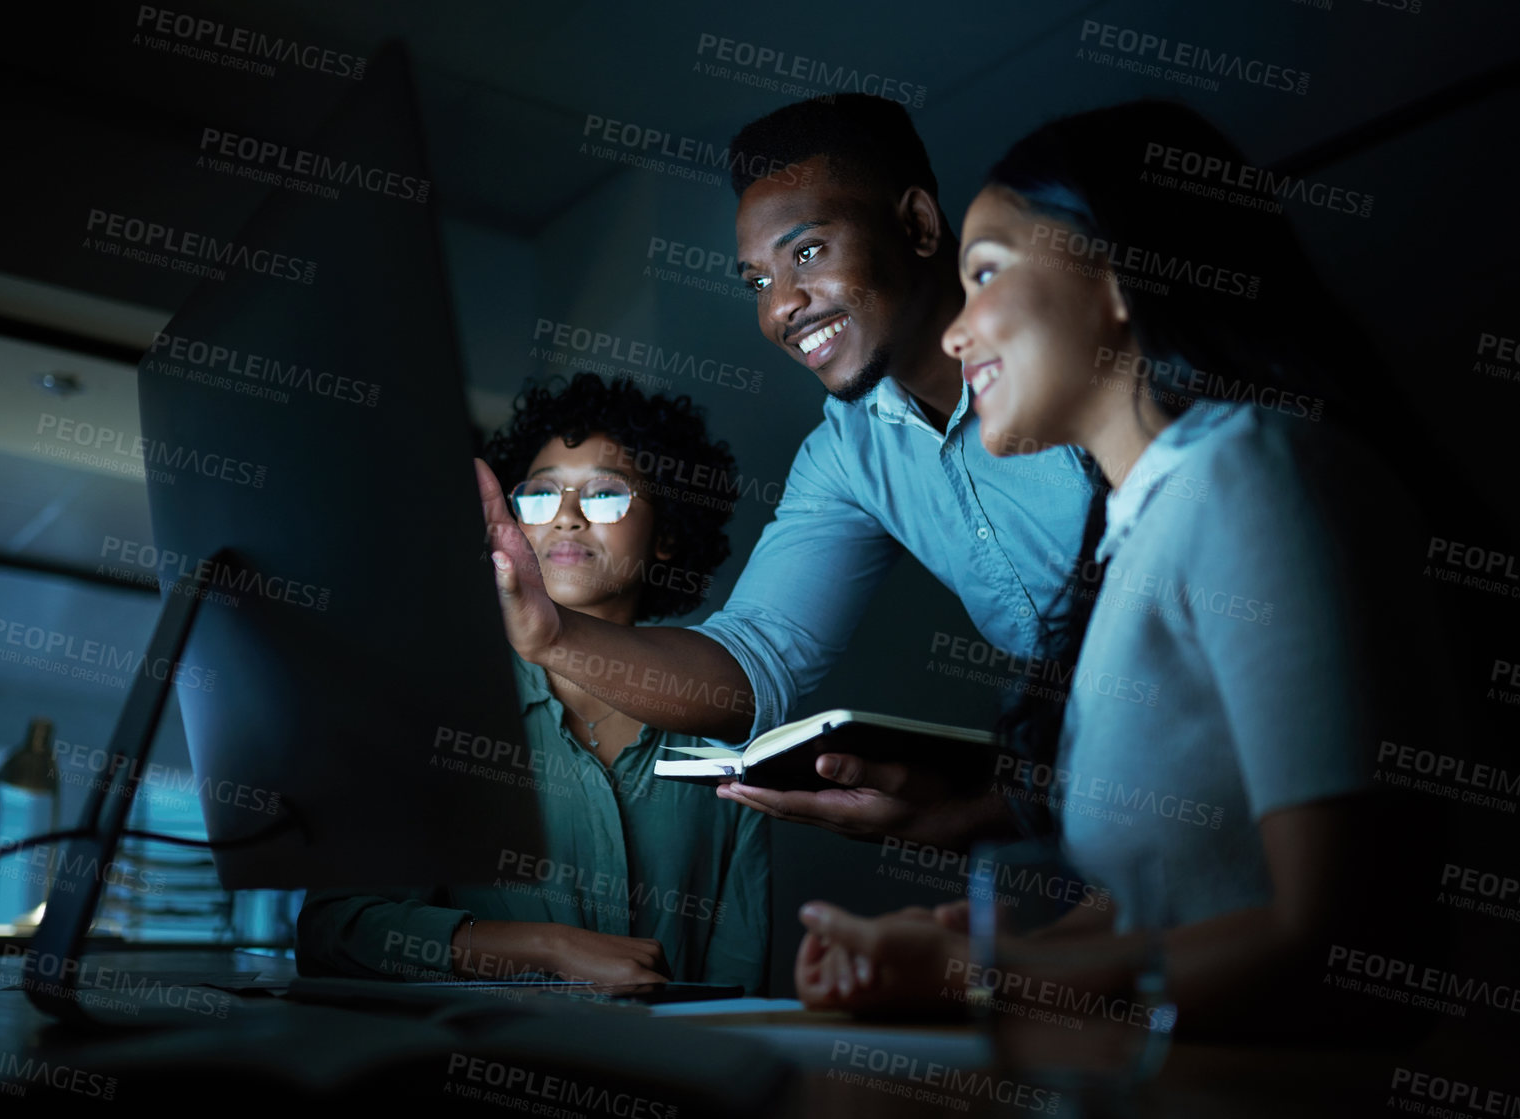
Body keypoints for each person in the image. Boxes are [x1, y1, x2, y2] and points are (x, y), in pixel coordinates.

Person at [789, 100, 1449, 1041]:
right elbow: (1171, 909)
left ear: (1114, 274)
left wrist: (987, 977)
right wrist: (978, 958)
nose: (953, 332)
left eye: (984, 274)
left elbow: (1330, 930)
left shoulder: (1245, 470)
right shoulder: (1136, 532)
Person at [476, 94, 1095, 850]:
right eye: (756, 282)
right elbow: (748, 666)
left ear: (918, 225)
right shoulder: (845, 455)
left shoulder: (1087, 367)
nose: (782, 309)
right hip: (1126, 842)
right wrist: (548, 635)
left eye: (806, 253)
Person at [298, 374, 769, 992]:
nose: (567, 518)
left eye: (605, 496)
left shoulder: (726, 729)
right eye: (542, 497)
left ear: (670, 536)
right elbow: (337, 929)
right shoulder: (439, 706)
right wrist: (550, 948)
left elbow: (738, 983)